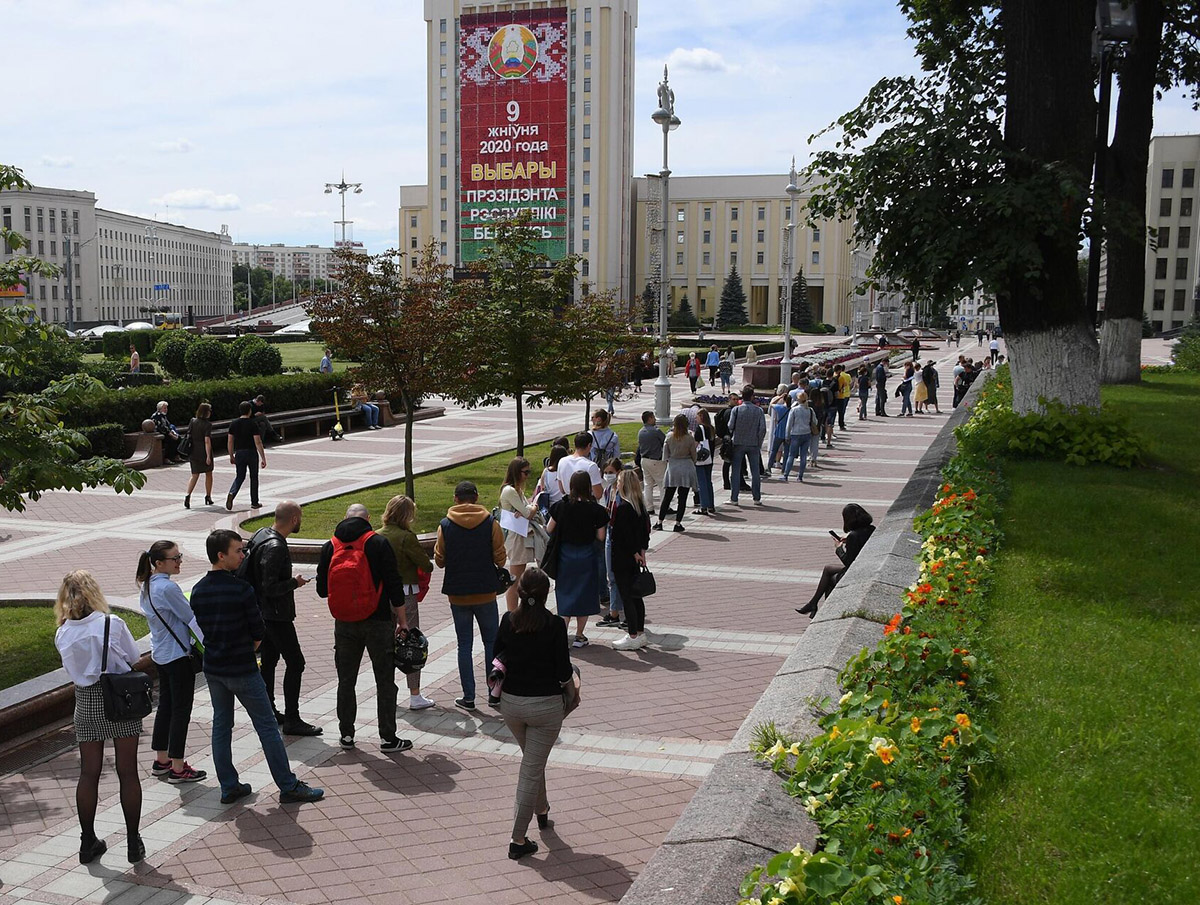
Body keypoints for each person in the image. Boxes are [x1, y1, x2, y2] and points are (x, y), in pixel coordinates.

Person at [190, 529, 324, 805]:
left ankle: (229, 786)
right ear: (220, 555)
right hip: (242, 669)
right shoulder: (242, 589)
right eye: (237, 551)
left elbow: (202, 629)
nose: (243, 555)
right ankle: (288, 785)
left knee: (221, 726)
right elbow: (258, 630)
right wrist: (247, 650)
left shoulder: (199, 589)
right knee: (266, 727)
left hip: (214, 668)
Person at [54, 570, 146, 865]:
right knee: (127, 771)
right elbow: (133, 657)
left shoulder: (63, 631)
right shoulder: (111, 623)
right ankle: (133, 842)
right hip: (119, 697)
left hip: (86, 701)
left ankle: (87, 841)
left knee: (89, 773)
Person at [316, 504, 412, 751]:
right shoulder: (377, 543)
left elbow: (321, 590)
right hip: (378, 621)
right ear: (368, 519)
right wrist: (402, 621)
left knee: (346, 680)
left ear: (344, 518)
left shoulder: (331, 545)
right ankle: (388, 738)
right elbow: (394, 585)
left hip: (344, 623)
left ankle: (346, 735)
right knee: (385, 681)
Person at [494, 568, 573, 860]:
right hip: (546, 708)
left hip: (511, 706)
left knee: (532, 760)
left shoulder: (508, 620)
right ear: (545, 594)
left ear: (520, 591)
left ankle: (542, 810)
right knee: (529, 770)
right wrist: (573, 687)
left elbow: (497, 658)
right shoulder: (554, 625)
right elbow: (563, 670)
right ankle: (517, 838)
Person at [244, 501, 320, 736]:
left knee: (269, 662)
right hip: (275, 616)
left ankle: (269, 711)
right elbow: (270, 587)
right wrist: (294, 583)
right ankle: (293, 719)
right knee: (296, 663)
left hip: (261, 612)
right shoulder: (276, 546)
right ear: (294, 520)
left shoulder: (261, 534)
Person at [137, 542, 206, 784]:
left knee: (166, 706)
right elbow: (191, 619)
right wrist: (212, 644)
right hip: (177, 656)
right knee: (181, 710)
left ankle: (162, 760)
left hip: (161, 655)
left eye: (180, 556)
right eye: (174, 558)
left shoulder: (146, 586)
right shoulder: (167, 588)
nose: (179, 561)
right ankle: (178, 767)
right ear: (158, 563)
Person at [435, 481, 506, 708]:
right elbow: (501, 558)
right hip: (486, 591)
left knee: (464, 645)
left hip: (458, 593)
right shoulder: (490, 523)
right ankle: (494, 693)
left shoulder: (445, 525)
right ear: (476, 498)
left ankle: (468, 697)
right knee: (491, 643)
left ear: (455, 499)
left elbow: (439, 560)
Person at [378, 494, 437, 711]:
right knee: (411, 642)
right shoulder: (406, 537)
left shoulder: (377, 535)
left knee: (385, 643)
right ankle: (415, 694)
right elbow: (426, 564)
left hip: (383, 595)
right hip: (406, 593)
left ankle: (386, 691)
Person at [547, 471, 609, 647]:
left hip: (565, 555)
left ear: (571, 486)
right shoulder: (596, 510)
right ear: (588, 486)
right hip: (587, 555)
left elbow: (549, 528)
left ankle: (563, 635)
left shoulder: (561, 506)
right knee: (585, 594)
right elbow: (601, 536)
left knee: (565, 593)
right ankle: (580, 635)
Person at [796, 504, 876, 617]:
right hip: (866, 565)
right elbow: (861, 543)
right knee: (828, 569)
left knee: (829, 580)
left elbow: (848, 562)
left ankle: (823, 609)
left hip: (856, 571)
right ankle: (813, 604)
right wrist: (848, 540)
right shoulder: (871, 529)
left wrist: (839, 548)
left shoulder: (854, 535)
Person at [610, 470, 652, 650]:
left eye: (619, 481)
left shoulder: (624, 508)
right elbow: (644, 532)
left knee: (627, 596)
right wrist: (641, 551)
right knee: (636, 596)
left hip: (623, 557)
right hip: (635, 557)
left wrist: (634, 551)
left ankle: (632, 634)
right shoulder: (640, 506)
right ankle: (640, 633)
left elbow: (621, 535)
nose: (617, 484)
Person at [499, 457, 539, 612]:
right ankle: (512, 614)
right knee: (514, 581)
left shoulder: (517, 490)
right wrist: (534, 506)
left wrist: (527, 509)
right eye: (525, 472)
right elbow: (528, 512)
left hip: (520, 534)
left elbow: (524, 510)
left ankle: (516, 612)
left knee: (519, 578)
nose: (527, 476)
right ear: (516, 472)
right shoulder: (509, 490)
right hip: (515, 537)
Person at [657, 412, 699, 529]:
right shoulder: (690, 438)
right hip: (686, 467)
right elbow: (694, 455)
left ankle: (660, 522)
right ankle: (678, 523)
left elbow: (665, 455)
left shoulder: (669, 437)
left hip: (673, 467)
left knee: (668, 497)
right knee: (683, 498)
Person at [729, 387, 766, 505]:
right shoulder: (758, 410)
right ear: (752, 396)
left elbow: (730, 426)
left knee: (736, 471)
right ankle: (756, 498)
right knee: (755, 472)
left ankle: (734, 498)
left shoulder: (736, 410)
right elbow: (763, 429)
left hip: (738, 443)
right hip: (753, 444)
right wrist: (758, 442)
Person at [226, 400, 265, 511]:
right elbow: (258, 442)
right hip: (251, 452)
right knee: (254, 477)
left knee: (240, 476)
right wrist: (263, 457)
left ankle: (232, 493)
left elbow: (230, 441)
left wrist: (231, 455)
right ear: (249, 411)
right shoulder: (253, 423)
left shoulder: (234, 423)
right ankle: (254, 502)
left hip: (239, 453)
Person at [716, 393, 751, 492]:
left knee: (729, 462)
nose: (736, 401)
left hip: (728, 439)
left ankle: (729, 483)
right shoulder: (730, 412)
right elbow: (730, 427)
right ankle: (735, 483)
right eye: (734, 399)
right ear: (729, 400)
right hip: (730, 440)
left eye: (737, 399)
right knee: (732, 461)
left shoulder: (731, 411)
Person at [635, 410, 667, 512]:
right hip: (656, 460)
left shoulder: (641, 432)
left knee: (648, 485)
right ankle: (664, 506)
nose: (655, 419)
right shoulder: (656, 431)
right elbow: (665, 442)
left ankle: (649, 507)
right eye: (653, 417)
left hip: (644, 460)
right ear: (649, 419)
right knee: (662, 484)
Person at [184, 402, 214, 509]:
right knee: (208, 473)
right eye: (209, 411)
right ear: (206, 412)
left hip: (193, 450)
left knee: (194, 475)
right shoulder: (207, 425)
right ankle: (208, 496)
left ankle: (188, 495)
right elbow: (207, 441)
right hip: (203, 451)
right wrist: (208, 456)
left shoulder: (193, 421)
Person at [557, 432, 603, 501]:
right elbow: (598, 494)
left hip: (568, 503)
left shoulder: (562, 461)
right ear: (589, 445)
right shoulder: (591, 466)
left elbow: (562, 490)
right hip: (586, 505)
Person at [782, 393, 816, 482]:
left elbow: (789, 424)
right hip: (807, 433)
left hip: (796, 434)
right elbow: (814, 421)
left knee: (791, 455)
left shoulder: (794, 410)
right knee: (803, 456)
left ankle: (786, 475)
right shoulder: (810, 410)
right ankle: (800, 476)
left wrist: (787, 436)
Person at [693, 409, 717, 515]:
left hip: (701, 458)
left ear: (701, 416)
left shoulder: (700, 429)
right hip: (709, 458)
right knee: (708, 481)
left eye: (697, 416)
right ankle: (711, 505)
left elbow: (696, 445)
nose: (695, 418)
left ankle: (703, 506)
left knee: (701, 482)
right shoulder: (711, 428)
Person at [534, 445, 568, 518]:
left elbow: (543, 488)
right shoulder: (565, 471)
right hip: (563, 505)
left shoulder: (546, 471)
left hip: (549, 506)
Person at [765, 389, 790, 474]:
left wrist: (779, 397)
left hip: (779, 432)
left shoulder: (780, 408)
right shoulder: (792, 409)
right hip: (788, 433)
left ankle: (769, 467)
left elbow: (772, 404)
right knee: (786, 452)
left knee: (774, 450)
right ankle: (785, 469)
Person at [834, 364, 853, 430]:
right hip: (841, 395)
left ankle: (831, 426)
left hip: (834, 397)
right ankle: (841, 425)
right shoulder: (842, 377)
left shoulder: (833, 375)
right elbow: (845, 384)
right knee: (841, 412)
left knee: (833, 412)